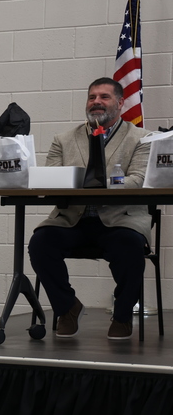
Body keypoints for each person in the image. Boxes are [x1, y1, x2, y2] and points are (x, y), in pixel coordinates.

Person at [28, 77, 151, 341]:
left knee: (129, 246)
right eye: (92, 97)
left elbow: (138, 180)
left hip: (120, 219)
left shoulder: (142, 138)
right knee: (40, 243)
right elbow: (52, 179)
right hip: (72, 219)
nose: (96, 102)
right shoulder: (63, 139)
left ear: (120, 103)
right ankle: (67, 308)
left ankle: (122, 315)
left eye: (104, 97)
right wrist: (96, 182)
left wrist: (93, 182)